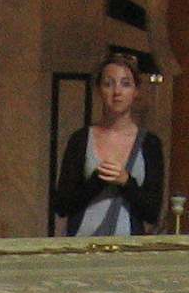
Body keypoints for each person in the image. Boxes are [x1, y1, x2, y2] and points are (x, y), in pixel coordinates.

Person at [52, 51, 165, 237]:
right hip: (83, 243)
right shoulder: (80, 139)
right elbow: (62, 205)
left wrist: (126, 182)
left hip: (129, 247)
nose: (117, 92)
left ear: (136, 91)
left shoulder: (150, 144)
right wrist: (97, 181)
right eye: (108, 84)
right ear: (99, 90)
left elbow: (152, 212)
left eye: (125, 84)